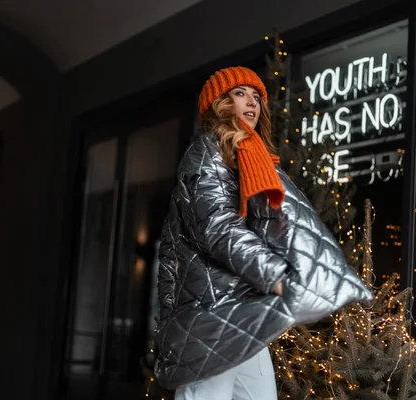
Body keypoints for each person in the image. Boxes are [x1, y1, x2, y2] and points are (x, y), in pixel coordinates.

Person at [153, 66, 373, 400]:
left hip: (243, 314)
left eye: (257, 96)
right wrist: (274, 274)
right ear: (220, 103)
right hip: (211, 317)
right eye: (241, 93)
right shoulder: (204, 156)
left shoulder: (251, 159)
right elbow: (217, 227)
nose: (252, 102)